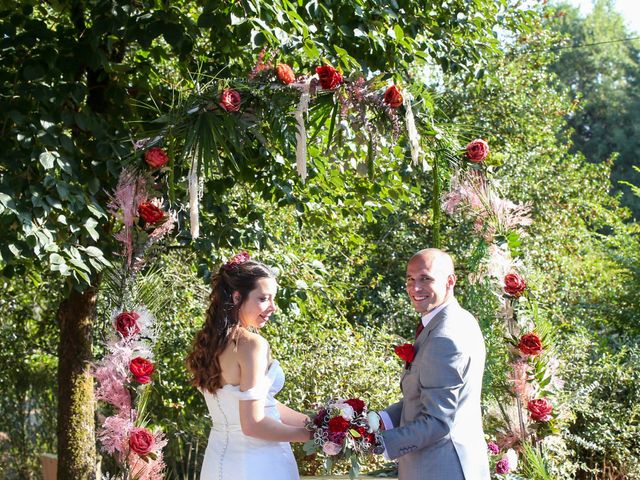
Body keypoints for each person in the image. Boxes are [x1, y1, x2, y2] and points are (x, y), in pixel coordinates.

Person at [186, 252, 309, 480]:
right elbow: (252, 424)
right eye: (263, 299)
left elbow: (262, 404)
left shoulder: (211, 343)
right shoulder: (252, 345)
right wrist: (309, 436)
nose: (272, 307)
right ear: (236, 297)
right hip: (260, 463)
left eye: (273, 299)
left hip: (218, 461)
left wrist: (315, 422)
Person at [377, 248, 489, 480]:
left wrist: (378, 443)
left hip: (440, 468)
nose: (415, 287)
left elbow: (437, 420)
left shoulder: (444, 336)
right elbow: (426, 396)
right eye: (410, 278)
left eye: (425, 278)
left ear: (450, 281)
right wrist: (379, 421)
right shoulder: (459, 319)